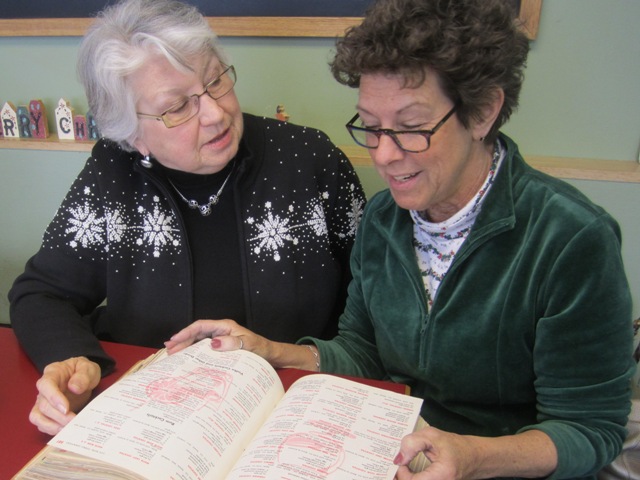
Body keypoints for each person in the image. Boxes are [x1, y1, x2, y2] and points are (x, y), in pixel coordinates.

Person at [165, 0, 636, 478]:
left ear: (483, 112)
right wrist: (272, 351)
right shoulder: (384, 219)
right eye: (371, 127)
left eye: (411, 129)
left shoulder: (571, 239)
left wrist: (473, 457)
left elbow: (589, 430)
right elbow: (363, 352)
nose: (384, 155)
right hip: (389, 454)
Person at [8, 0, 365, 436]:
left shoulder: (309, 160)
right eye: (177, 107)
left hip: (295, 415)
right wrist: (72, 358)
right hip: (154, 422)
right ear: (132, 133)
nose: (215, 113)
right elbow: (42, 293)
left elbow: (371, 307)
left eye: (215, 81)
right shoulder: (112, 173)